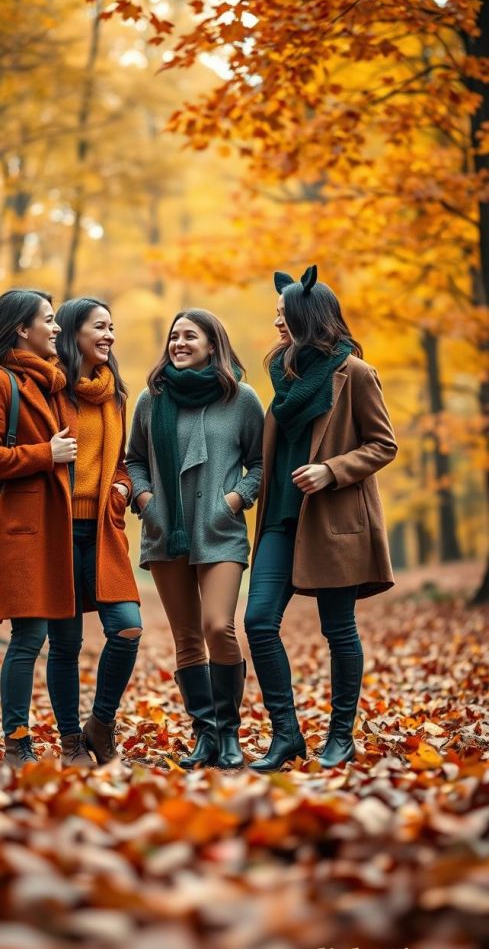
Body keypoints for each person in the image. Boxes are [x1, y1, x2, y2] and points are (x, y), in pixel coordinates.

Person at [244, 266, 398, 772]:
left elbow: (382, 444)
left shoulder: (353, 373)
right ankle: (286, 735)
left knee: (339, 630)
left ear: (308, 316)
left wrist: (332, 471)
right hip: (279, 521)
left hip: (332, 522)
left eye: (283, 316)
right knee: (259, 622)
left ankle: (340, 736)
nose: (276, 325)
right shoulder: (281, 376)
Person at [126, 308, 264, 770]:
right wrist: (146, 500)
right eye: (173, 336)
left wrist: (236, 499)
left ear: (212, 344)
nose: (179, 343)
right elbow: (135, 460)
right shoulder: (151, 399)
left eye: (190, 336)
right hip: (167, 530)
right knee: (186, 637)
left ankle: (230, 734)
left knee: (217, 626)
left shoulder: (241, 399)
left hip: (220, 529)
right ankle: (204, 736)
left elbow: (261, 463)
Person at [0, 289, 78, 767]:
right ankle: (16, 743)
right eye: (49, 320)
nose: (56, 329)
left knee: (52, 639)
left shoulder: (50, 383)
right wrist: (45, 455)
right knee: (28, 638)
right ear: (21, 328)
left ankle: (57, 739)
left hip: (55, 526)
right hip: (21, 529)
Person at [46, 297, 142, 768]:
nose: (108, 335)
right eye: (98, 327)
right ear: (72, 332)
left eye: (111, 327)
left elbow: (121, 464)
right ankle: (69, 741)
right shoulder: (50, 391)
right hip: (56, 531)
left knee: (127, 627)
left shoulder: (115, 395)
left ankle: (100, 726)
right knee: (64, 643)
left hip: (104, 530)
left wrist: (122, 489)